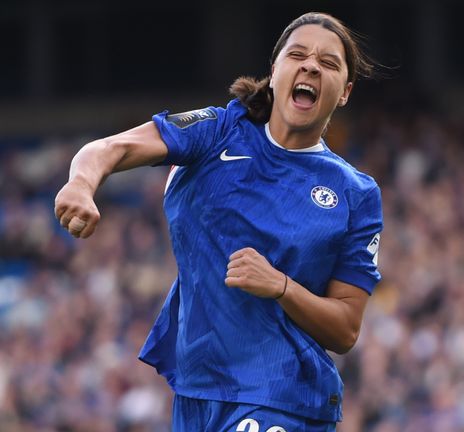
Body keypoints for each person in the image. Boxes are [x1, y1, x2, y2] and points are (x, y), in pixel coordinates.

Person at [54, 12, 382, 431]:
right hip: (197, 391)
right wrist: (80, 184)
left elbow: (346, 330)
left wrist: (281, 286)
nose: (311, 66)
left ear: (345, 93)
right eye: (297, 55)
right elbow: (111, 148)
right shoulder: (219, 131)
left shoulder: (356, 193)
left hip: (284, 397)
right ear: (275, 72)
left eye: (329, 63)